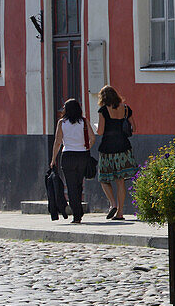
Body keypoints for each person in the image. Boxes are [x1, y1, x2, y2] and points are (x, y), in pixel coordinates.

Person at [95, 85, 137, 220]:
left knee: (103, 178)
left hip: (107, 148)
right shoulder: (126, 109)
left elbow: (100, 131)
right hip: (124, 147)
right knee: (120, 182)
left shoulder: (103, 110)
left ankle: (112, 203)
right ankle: (120, 212)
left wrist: (97, 128)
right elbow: (134, 128)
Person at [49, 98, 91, 224]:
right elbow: (92, 138)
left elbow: (57, 142)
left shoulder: (62, 123)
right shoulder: (83, 121)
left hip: (67, 156)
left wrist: (53, 159)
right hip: (82, 155)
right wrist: (86, 147)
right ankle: (78, 211)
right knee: (79, 184)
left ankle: (77, 214)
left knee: (71, 186)